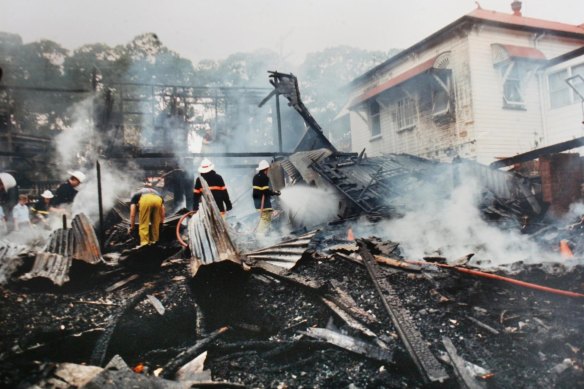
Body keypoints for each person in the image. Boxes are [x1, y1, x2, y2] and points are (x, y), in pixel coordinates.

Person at [252, 160, 280, 233]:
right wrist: (274, 193)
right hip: (263, 202)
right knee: (265, 218)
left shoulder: (256, 177)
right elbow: (265, 191)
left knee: (267, 217)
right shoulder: (264, 177)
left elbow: (261, 190)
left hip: (257, 202)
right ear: (266, 169)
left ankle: (267, 232)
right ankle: (260, 235)